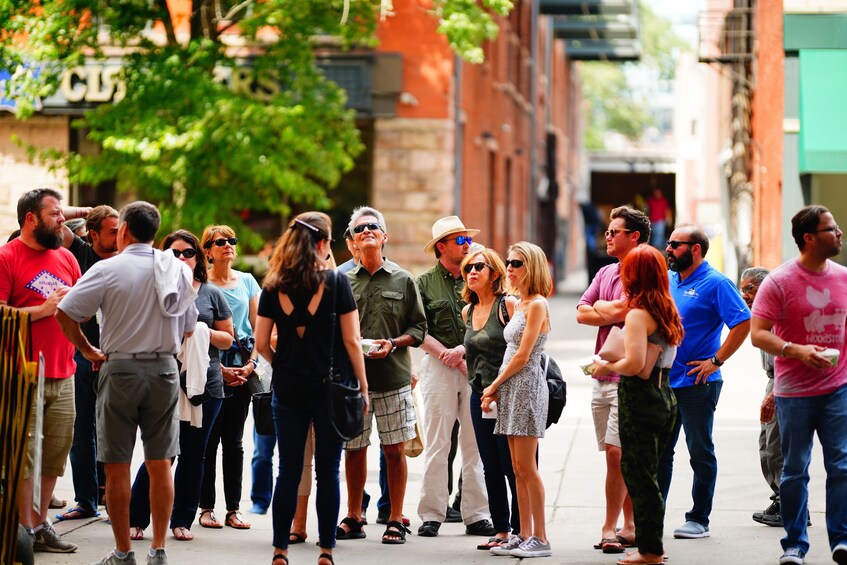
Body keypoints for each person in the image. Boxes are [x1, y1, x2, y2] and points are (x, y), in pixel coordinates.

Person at [56, 201, 199, 565]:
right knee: (160, 462)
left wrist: (87, 350)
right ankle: (159, 549)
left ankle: (123, 552)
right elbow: (188, 328)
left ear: (123, 230)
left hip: (119, 368)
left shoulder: (108, 268)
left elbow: (65, 311)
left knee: (117, 464)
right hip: (165, 369)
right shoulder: (178, 270)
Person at [255, 211, 368, 565]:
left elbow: (260, 344)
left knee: (287, 471)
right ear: (322, 243)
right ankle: (325, 550)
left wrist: (283, 365)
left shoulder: (274, 284)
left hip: (288, 389)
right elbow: (352, 341)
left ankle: (280, 550)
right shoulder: (337, 282)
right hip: (329, 389)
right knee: (328, 471)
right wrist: (362, 386)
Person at [750, 205, 847, 565]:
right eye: (831, 229)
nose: (838, 234)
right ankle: (795, 544)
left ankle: (841, 539)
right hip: (794, 393)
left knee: (842, 466)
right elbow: (757, 334)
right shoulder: (779, 281)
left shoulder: (843, 277)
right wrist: (796, 350)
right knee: (794, 470)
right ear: (809, 237)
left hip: (838, 388)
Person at [128, 230, 234, 542]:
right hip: (163, 382)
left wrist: (200, 330)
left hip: (205, 386)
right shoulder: (153, 290)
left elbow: (227, 337)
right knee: (160, 454)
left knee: (194, 454)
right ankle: (137, 518)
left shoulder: (211, 293)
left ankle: (182, 520)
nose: (181, 258)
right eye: (174, 253)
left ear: (198, 257)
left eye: (188, 252)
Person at [0, 188, 84, 554]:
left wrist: (88, 348)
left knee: (55, 453)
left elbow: (80, 309)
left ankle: (37, 524)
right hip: (22, 373)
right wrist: (41, 311)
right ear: (30, 218)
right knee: (25, 455)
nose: (62, 220)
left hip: (65, 371)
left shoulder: (66, 257)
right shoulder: (6, 257)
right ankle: (21, 533)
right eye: (54, 214)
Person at [339, 206, 427, 545]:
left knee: (394, 450)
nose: (367, 232)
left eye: (373, 227)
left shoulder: (403, 279)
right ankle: (354, 516)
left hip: (393, 378)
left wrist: (393, 343)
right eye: (360, 229)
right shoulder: (341, 280)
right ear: (353, 242)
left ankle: (394, 518)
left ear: (384, 237)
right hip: (353, 381)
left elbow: (418, 328)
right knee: (355, 449)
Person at [592, 245, 683, 565]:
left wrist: (604, 367)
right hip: (666, 395)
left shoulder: (638, 315)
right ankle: (651, 543)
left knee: (639, 475)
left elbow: (633, 365)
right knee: (651, 475)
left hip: (640, 398)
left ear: (633, 275)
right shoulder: (666, 308)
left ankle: (650, 551)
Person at [659, 225, 751, 539]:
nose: (668, 249)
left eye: (675, 244)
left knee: (700, 451)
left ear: (695, 249)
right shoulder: (669, 279)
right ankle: (651, 515)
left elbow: (742, 322)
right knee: (660, 452)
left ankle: (699, 519)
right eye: (668, 243)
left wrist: (716, 360)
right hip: (665, 381)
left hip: (699, 383)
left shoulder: (717, 283)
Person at [576, 205, 650, 553]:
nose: (607, 236)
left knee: (619, 454)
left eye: (614, 231)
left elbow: (626, 310)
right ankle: (631, 525)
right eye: (607, 230)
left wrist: (603, 310)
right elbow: (581, 312)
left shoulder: (647, 271)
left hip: (630, 378)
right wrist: (610, 308)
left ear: (634, 237)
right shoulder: (606, 272)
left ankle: (613, 526)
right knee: (612, 452)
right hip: (601, 377)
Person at [416, 216, 492, 538]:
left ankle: (475, 514)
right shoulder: (422, 283)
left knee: (475, 444)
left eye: (466, 239)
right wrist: (445, 353)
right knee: (437, 443)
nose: (466, 245)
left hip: (473, 365)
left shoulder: (477, 275)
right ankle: (431, 513)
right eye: (459, 240)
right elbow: (416, 329)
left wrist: (462, 351)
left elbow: (488, 320)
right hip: (438, 367)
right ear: (441, 247)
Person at [481, 241, 552, 558]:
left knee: (527, 466)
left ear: (532, 267)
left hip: (525, 387)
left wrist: (493, 384)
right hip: (511, 388)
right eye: (508, 262)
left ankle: (541, 536)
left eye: (516, 263)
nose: (509, 267)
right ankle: (523, 532)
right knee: (516, 467)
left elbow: (523, 355)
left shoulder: (537, 304)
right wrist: (498, 387)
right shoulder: (521, 303)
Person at [56, 205, 120, 523]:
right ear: (93, 234)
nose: (119, 236)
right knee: (82, 431)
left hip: (117, 356)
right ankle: (86, 499)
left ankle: (113, 498)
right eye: (111, 231)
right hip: (82, 354)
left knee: (114, 431)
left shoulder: (127, 259)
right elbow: (50, 217)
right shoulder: (80, 251)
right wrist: (83, 209)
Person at [198, 225, 261, 531]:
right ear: (207, 250)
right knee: (208, 441)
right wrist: (219, 370)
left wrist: (250, 365)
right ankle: (206, 507)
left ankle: (233, 509)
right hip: (210, 369)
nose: (227, 245)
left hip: (242, 368)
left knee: (234, 442)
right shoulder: (201, 285)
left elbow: (259, 328)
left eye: (231, 241)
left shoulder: (248, 281)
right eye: (219, 242)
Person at [461, 247, 520, 550]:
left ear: (494, 273)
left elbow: (523, 351)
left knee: (513, 464)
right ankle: (501, 529)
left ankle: (522, 531)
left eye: (479, 267)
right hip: (479, 397)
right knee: (490, 464)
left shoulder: (507, 305)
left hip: (508, 395)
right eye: (468, 268)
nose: (472, 272)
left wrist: (496, 386)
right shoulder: (467, 311)